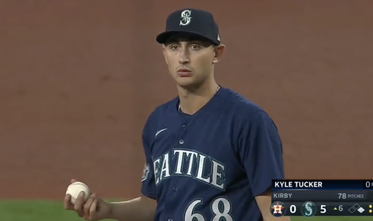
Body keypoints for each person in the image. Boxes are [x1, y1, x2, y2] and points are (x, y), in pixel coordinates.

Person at [64, 8, 289, 221]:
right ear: (165, 54)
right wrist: (109, 209)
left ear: (217, 53)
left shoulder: (248, 120)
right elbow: (155, 204)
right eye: (174, 47)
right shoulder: (158, 122)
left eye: (195, 46)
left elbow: (275, 210)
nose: (183, 57)